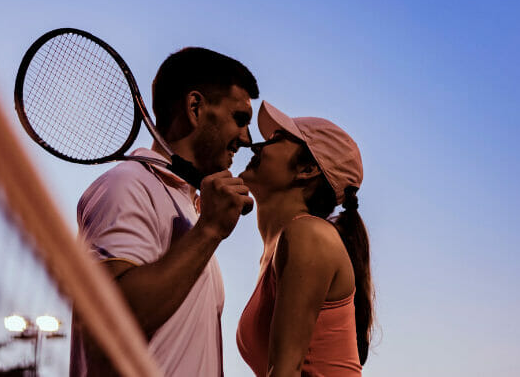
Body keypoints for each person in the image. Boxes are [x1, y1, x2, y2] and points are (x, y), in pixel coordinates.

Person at [70, 47, 259, 377]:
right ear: (195, 108)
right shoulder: (127, 184)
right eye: (239, 119)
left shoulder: (187, 204)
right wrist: (210, 230)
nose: (246, 138)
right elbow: (111, 324)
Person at [236, 101, 374, 377]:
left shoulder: (307, 236)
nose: (257, 146)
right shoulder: (279, 249)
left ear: (307, 169)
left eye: (275, 140)